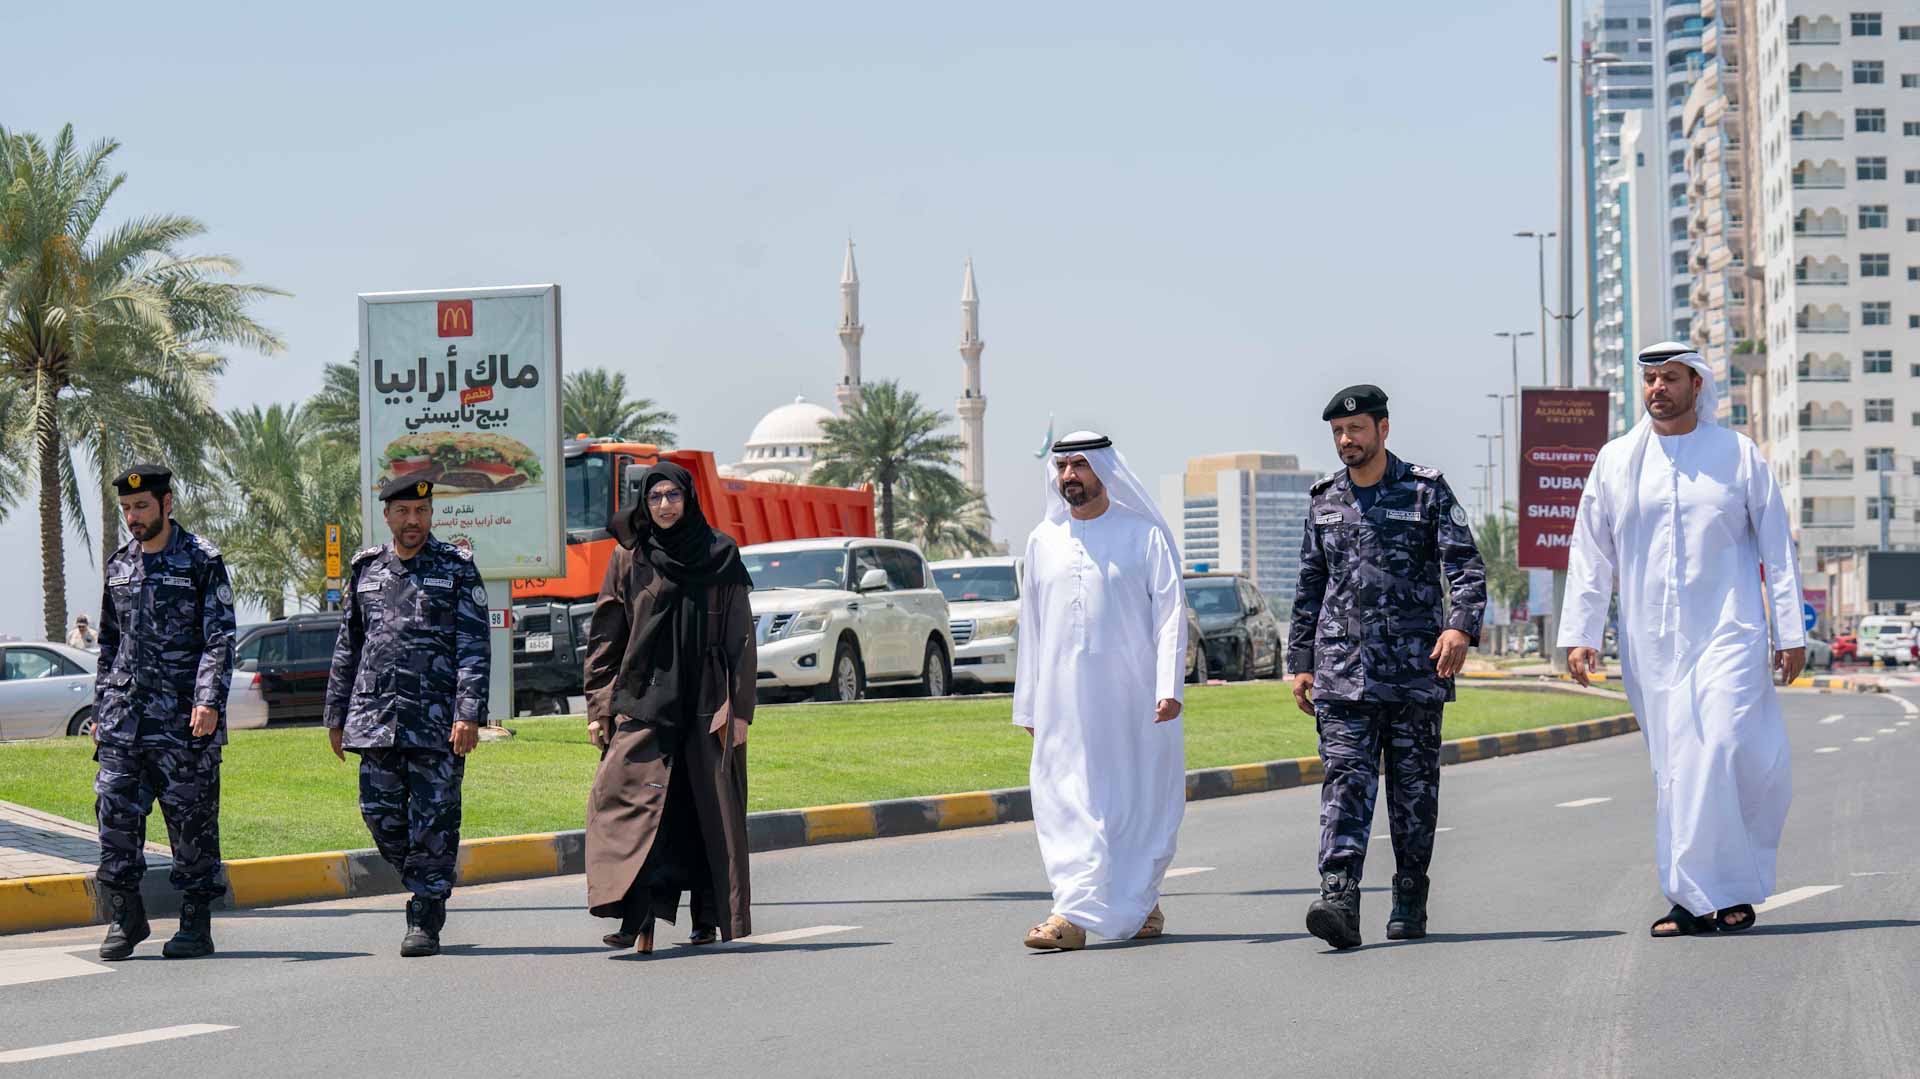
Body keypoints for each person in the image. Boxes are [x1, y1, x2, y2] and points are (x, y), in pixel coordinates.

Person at [1559, 342, 1805, 937]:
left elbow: (1777, 544)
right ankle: (1697, 898)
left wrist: (1790, 628)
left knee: (1721, 747)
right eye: (1649, 379)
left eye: (1670, 378)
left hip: (1730, 630)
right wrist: (1580, 634)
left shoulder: (1737, 455)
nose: (1657, 389)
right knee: (1674, 767)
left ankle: (1720, 889)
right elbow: (1591, 553)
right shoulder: (1616, 461)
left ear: (1698, 385)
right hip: (1651, 640)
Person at [1289, 385, 1486, 950]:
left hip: (1416, 673)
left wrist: (1459, 626)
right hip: (1342, 675)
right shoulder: (1324, 499)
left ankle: (1409, 894)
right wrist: (1301, 662)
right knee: (1345, 782)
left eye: (1356, 430)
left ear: (1383, 429)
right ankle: (1339, 896)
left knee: (1412, 791)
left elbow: (1466, 567)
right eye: (1337, 434)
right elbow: (1309, 586)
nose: (1347, 441)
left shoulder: (1425, 491)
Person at [1013, 432, 1188, 951]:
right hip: (1063, 705)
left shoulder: (1143, 536)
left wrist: (1167, 686)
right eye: (1062, 466)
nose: (1070, 475)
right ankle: (1071, 913)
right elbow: (1033, 628)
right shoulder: (1042, 540)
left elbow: (1171, 614)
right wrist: (1028, 703)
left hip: (1134, 704)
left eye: (1081, 465)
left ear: (1105, 470)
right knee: (1065, 800)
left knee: (1133, 803)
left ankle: (1140, 899)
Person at [583, 462, 756, 954]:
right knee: (629, 809)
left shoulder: (720, 554)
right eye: (655, 497)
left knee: (705, 812)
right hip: (644, 699)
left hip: (706, 703)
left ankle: (707, 916)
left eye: (672, 496)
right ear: (644, 502)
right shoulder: (629, 557)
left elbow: (741, 639)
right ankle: (636, 915)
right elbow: (605, 635)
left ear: (689, 499)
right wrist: (599, 706)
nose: (663, 505)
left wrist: (738, 710)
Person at [324, 476, 489, 957]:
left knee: (435, 817)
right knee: (379, 815)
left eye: (420, 512)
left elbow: (474, 647)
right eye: (402, 512)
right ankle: (428, 877)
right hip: (375, 719)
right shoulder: (366, 569)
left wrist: (468, 712)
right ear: (388, 516)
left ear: (431, 514)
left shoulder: (456, 568)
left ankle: (425, 910)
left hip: (437, 720)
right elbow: (347, 647)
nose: (412, 521)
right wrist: (336, 715)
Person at [91, 463, 237, 961]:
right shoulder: (119, 565)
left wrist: (208, 700)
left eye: (142, 507)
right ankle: (126, 915)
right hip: (124, 720)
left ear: (166, 504)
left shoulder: (201, 560)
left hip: (182, 720)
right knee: (114, 814)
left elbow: (220, 637)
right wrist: (102, 709)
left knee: (191, 822)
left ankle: (196, 922)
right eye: (127, 509)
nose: (134, 517)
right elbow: (109, 643)